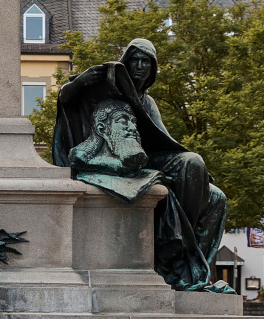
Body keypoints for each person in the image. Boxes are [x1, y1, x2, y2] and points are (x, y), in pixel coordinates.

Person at [51, 38, 232, 292]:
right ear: (125, 61)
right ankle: (180, 258)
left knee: (216, 198)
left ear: (153, 68)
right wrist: (81, 81)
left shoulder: (148, 102)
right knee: (192, 163)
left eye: (145, 61)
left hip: (146, 157)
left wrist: (198, 176)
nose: (139, 65)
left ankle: (187, 264)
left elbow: (166, 142)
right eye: (134, 59)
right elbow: (67, 100)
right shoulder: (106, 90)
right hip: (114, 155)